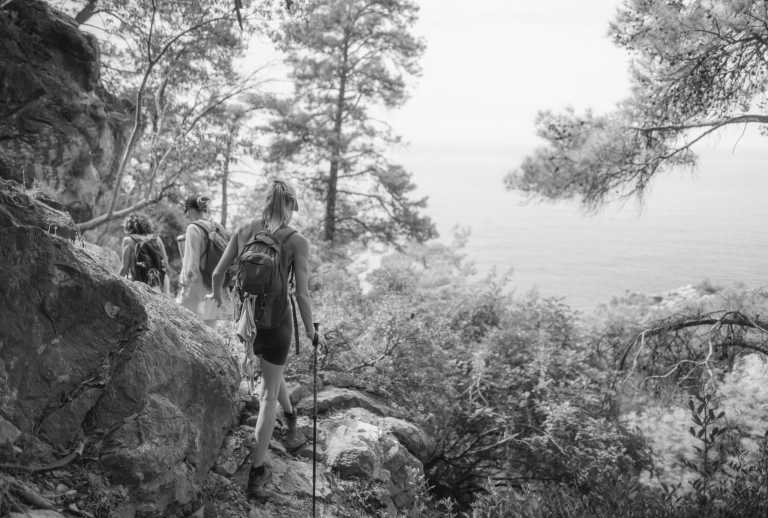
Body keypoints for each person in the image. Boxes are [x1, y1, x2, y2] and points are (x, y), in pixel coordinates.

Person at [209, 180, 321, 493]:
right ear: (290, 206)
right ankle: (257, 472)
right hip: (276, 325)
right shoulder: (296, 241)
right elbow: (301, 294)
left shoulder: (244, 229)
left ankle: (290, 416)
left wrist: (222, 302)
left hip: (246, 323)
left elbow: (218, 275)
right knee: (267, 395)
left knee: (273, 374)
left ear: (266, 202)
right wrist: (312, 331)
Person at [177, 195, 231, 326]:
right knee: (210, 329)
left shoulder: (193, 228)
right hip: (215, 285)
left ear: (190, 210)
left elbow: (191, 264)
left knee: (187, 327)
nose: (187, 216)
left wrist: (184, 287)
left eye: (186, 212)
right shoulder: (218, 227)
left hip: (197, 286)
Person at [119, 212, 170, 294]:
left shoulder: (128, 240)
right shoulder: (157, 239)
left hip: (139, 286)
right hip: (159, 284)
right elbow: (166, 265)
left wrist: (115, 282)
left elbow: (124, 269)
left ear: (128, 226)